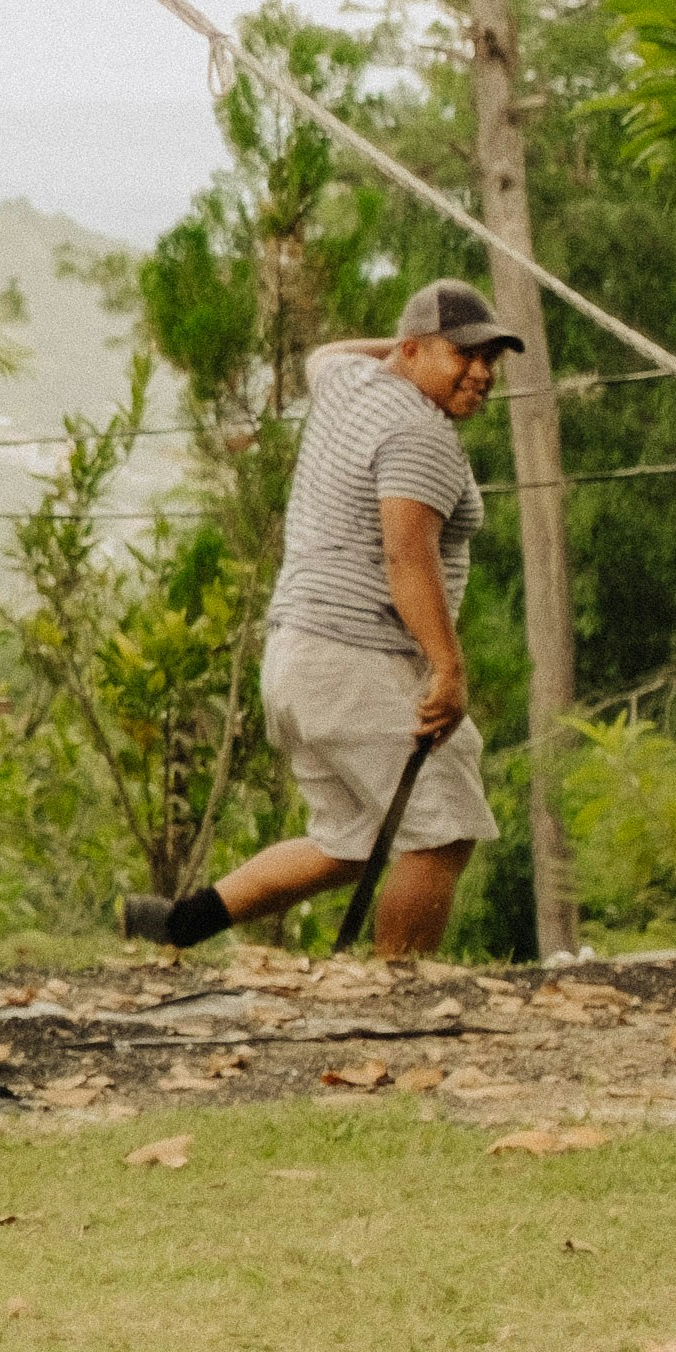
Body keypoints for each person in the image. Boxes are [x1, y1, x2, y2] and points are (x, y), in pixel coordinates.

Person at [141, 274, 516, 957]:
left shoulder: (350, 381)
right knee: (443, 831)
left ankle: (178, 924)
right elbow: (409, 556)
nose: (482, 372)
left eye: (490, 357)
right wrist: (448, 667)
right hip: (355, 657)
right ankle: (394, 1000)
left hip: (296, 656)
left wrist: (413, 351)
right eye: (463, 354)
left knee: (352, 843)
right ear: (409, 351)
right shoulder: (420, 432)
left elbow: (328, 352)